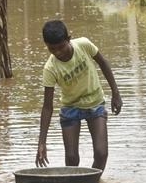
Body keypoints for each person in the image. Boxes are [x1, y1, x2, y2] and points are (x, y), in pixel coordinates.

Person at [37, 20, 122, 171]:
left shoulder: (83, 45)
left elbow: (103, 63)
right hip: (71, 108)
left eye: (61, 47)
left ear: (69, 39)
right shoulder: (50, 68)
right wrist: (42, 142)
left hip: (95, 103)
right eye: (52, 49)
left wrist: (115, 93)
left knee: (101, 154)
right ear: (46, 45)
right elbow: (47, 107)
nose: (58, 52)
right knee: (71, 158)